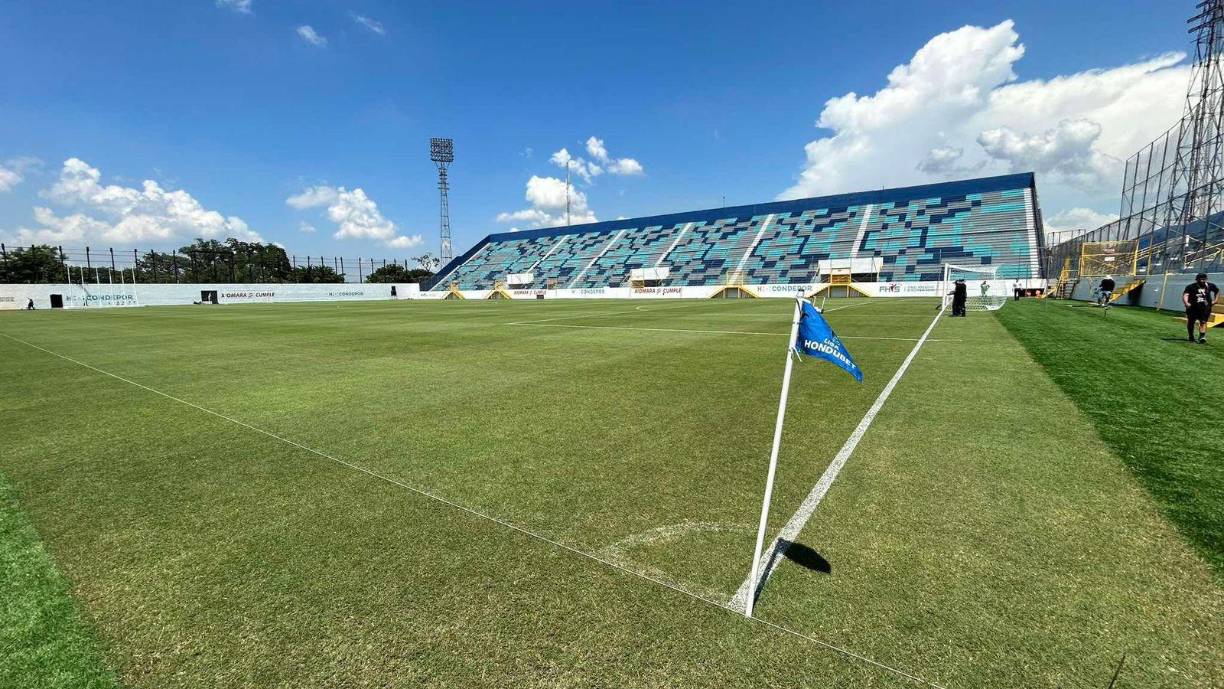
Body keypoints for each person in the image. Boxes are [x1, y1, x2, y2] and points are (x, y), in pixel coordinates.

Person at [1183, 272, 1220, 344]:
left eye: (1203, 279)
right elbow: (1186, 295)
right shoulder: (1191, 287)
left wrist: (1215, 300)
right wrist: (1186, 303)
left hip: (1205, 308)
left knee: (1203, 322)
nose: (1202, 281)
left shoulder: (1210, 286)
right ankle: (1191, 336)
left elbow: (1217, 291)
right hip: (1193, 307)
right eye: (1200, 279)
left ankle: (1202, 337)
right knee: (1191, 322)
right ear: (1197, 279)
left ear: (1206, 279)